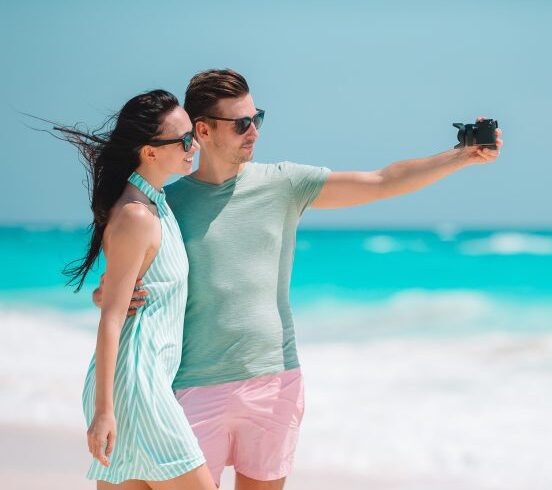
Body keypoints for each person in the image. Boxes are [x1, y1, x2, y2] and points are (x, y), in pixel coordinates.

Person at [95, 68, 503, 490]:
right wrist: (107, 295)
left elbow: (383, 181)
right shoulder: (167, 204)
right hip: (193, 386)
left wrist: (461, 156)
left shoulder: (285, 184)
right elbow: (131, 277)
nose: (253, 131)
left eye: (258, 119)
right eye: (241, 124)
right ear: (203, 129)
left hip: (275, 382)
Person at [55, 90, 217, 490]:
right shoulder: (137, 216)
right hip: (134, 390)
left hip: (142, 386)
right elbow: (112, 319)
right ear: (149, 151)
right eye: (183, 140)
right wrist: (104, 411)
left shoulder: (155, 206)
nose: (193, 145)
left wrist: (105, 293)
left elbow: (119, 292)